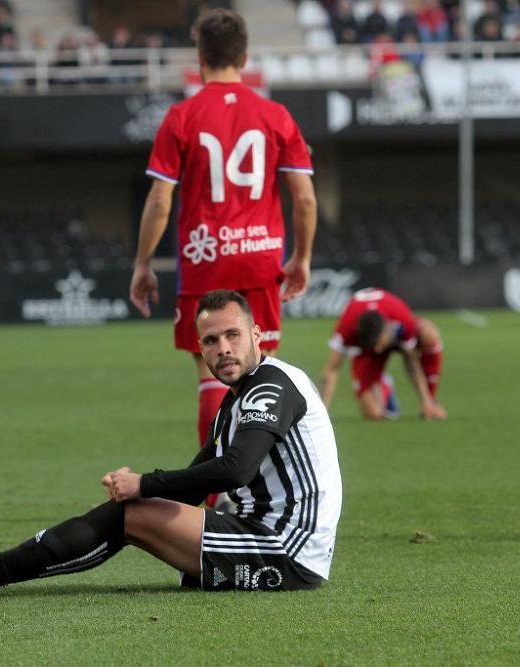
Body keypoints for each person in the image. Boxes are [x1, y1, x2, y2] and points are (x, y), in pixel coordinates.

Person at [0, 290, 342, 596]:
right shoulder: (237, 400)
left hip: (287, 549)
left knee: (130, 516)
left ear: (257, 335)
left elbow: (236, 470)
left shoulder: (272, 386)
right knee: (131, 510)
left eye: (233, 335)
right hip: (267, 536)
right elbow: (194, 486)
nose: (223, 348)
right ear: (201, 349)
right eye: (211, 340)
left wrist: (144, 485)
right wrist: (140, 488)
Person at [129, 9, 318, 489]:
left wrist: (143, 263)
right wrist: (302, 258)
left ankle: (212, 497)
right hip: (260, 258)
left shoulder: (182, 116)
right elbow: (305, 197)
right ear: (245, 56)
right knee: (257, 375)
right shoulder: (275, 115)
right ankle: (263, 486)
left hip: (204, 257)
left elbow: (159, 199)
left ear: (199, 57)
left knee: (214, 375)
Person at [319, 287, 447, 421]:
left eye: (380, 344)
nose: (379, 350)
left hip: (393, 338)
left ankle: (432, 402)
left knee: (429, 334)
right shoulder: (346, 329)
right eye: (375, 346)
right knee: (373, 414)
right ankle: (384, 383)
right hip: (366, 350)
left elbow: (411, 363)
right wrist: (321, 412)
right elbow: (331, 370)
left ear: (387, 329)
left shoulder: (402, 319)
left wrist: (426, 400)